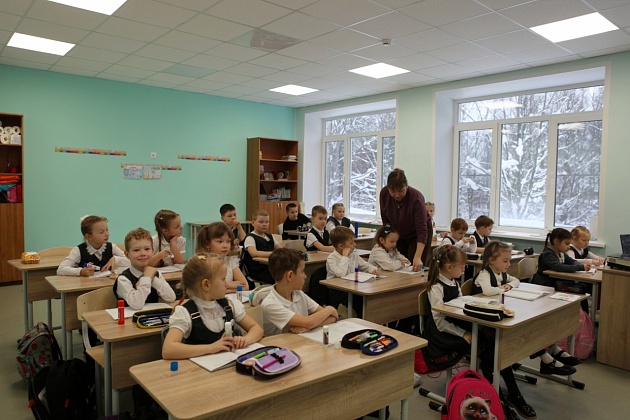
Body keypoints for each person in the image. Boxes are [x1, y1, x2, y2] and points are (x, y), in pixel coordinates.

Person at [423, 245, 536, 420]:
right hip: (443, 334)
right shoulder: (436, 287)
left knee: (495, 345)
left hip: (458, 325)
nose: (464, 269)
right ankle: (500, 400)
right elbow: (439, 322)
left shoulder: (453, 282)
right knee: (489, 350)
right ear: (449, 267)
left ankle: (511, 395)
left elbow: (459, 305)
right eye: (462, 266)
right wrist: (463, 333)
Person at [474, 241, 580, 375]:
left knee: (532, 324)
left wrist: (509, 286)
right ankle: (547, 357)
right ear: (492, 260)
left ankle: (551, 350)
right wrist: (501, 289)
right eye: (505, 261)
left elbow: (516, 281)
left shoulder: (500, 273)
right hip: (484, 320)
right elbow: (488, 291)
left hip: (497, 312)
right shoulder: (485, 274)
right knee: (524, 329)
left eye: (509, 261)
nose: (508, 264)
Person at [162, 254, 263, 359]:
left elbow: (257, 329)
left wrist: (245, 339)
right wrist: (211, 348)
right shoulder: (185, 312)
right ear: (206, 285)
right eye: (223, 279)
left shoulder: (229, 304)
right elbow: (168, 350)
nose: (226, 283)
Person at [262, 248, 338, 336]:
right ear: (290, 276)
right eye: (302, 271)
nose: (305, 276)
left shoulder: (298, 293)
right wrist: (330, 309)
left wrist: (308, 327)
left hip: (302, 340)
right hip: (282, 344)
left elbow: (332, 317)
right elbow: (308, 322)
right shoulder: (270, 304)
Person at [113, 228, 176, 309]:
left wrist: (153, 280)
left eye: (147, 249)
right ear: (127, 254)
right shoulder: (123, 279)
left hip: (153, 315)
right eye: (136, 250)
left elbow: (171, 298)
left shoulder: (155, 274)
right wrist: (146, 278)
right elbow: (137, 304)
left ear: (152, 251)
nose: (143, 253)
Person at [533, 227, 592, 314]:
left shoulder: (561, 253)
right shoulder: (548, 254)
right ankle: (579, 316)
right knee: (579, 290)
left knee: (582, 291)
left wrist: (579, 265)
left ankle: (584, 318)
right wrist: (580, 267)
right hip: (545, 284)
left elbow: (572, 261)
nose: (569, 247)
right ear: (556, 241)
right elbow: (559, 267)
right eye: (566, 244)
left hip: (556, 282)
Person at [379, 168, 427, 271]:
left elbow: (422, 230)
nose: (397, 195)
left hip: (417, 235)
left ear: (406, 185)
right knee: (399, 265)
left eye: (401, 191)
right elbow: (386, 222)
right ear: (388, 188)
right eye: (392, 191)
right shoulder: (384, 194)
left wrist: (418, 257)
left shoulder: (416, 198)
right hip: (397, 233)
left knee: (414, 265)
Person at [327, 226, 380, 317]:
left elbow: (365, 265)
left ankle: (369, 318)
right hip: (337, 291)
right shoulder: (332, 258)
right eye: (351, 243)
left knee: (369, 298)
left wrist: (373, 269)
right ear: (341, 246)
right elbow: (341, 273)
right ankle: (361, 319)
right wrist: (345, 257)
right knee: (359, 301)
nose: (355, 244)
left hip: (352, 287)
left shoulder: (353, 255)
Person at [57, 215, 128, 276]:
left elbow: (131, 261)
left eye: (107, 230)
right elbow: (61, 269)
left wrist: (116, 259)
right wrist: (81, 271)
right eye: (101, 232)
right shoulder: (78, 250)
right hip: (87, 286)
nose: (107, 234)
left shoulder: (112, 247)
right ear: (88, 236)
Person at [196, 222, 248, 294]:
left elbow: (245, 286)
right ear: (207, 244)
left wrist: (226, 289)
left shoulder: (230, 260)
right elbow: (207, 290)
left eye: (228, 241)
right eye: (220, 242)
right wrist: (229, 285)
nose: (225, 246)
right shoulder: (203, 263)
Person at [242, 209, 281, 285]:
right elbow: (253, 253)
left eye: (267, 222)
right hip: (258, 270)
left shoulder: (270, 236)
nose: (264, 224)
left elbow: (280, 249)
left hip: (270, 266)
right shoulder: (250, 237)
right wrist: (272, 254)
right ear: (253, 223)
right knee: (281, 276)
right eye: (261, 222)